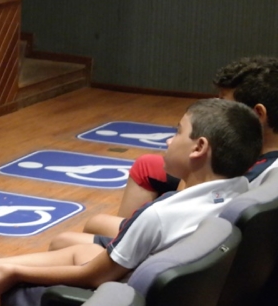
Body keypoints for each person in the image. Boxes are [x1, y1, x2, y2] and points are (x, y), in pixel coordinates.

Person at [0, 99, 262, 306]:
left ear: (199, 147)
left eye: (177, 132)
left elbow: (93, 277)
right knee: (74, 248)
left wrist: (13, 273)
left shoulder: (160, 215)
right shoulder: (241, 190)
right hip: (165, 301)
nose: (169, 141)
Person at [79, 56, 278, 239]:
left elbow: (194, 205)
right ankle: (123, 237)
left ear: (258, 114)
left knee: (95, 223)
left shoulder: (248, 173)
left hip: (188, 232)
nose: (215, 104)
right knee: (147, 166)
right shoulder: (260, 154)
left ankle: (124, 244)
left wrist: (187, 175)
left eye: (224, 101)